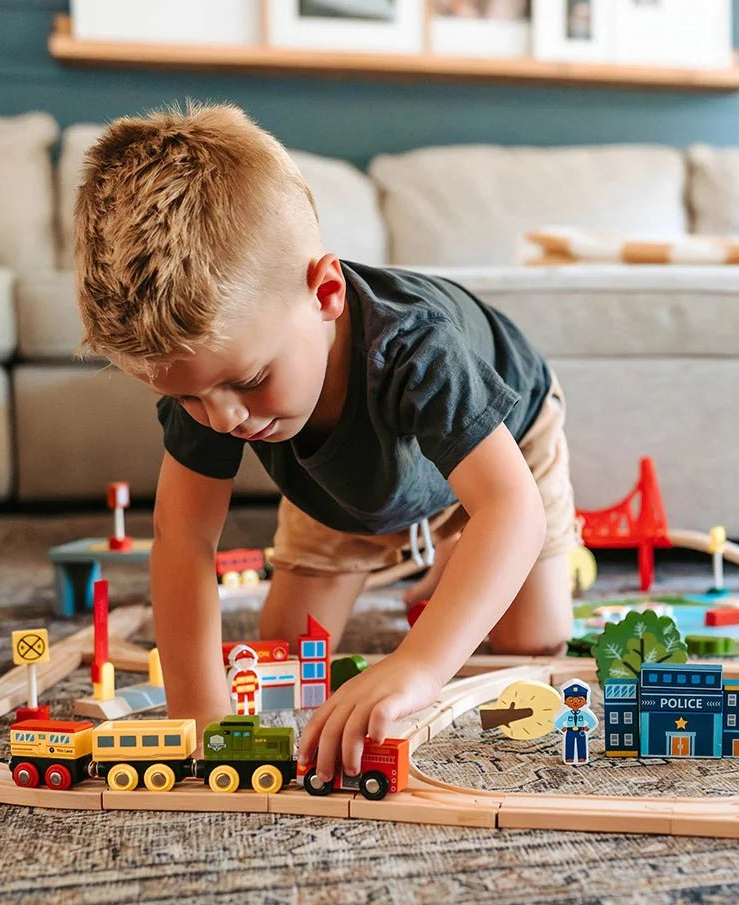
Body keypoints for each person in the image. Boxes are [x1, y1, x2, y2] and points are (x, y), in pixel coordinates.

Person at [74, 102, 577, 783]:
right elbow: (182, 536)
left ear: (327, 291)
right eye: (190, 396)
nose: (221, 418)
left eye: (250, 380)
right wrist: (198, 712)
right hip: (341, 485)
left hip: (505, 443)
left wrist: (417, 666)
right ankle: (439, 553)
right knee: (282, 654)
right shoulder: (216, 381)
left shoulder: (418, 347)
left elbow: (511, 509)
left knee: (531, 640)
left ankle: (453, 544)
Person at [553, 680, 599, 764]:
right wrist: (563, 728)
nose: (575, 703)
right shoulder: (566, 713)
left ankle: (582, 757)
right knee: (569, 744)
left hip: (581, 731)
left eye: (579, 701)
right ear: (565, 701)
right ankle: (569, 758)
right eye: (571, 701)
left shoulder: (584, 713)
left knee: (581, 744)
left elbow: (593, 721)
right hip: (569, 731)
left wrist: (587, 727)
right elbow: (558, 722)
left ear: (585, 701)